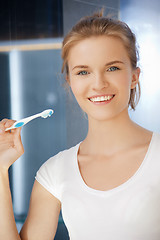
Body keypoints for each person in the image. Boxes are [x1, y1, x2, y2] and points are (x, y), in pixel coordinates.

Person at [0, 9, 160, 240]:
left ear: (134, 76)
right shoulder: (54, 172)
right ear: (70, 82)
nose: (98, 84)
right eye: (83, 72)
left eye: (112, 68)